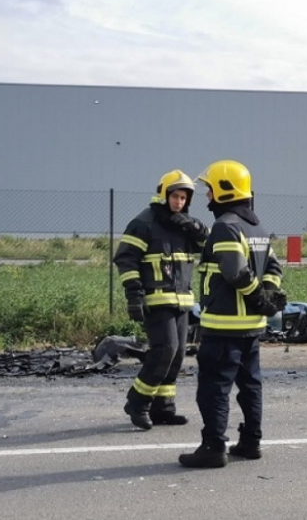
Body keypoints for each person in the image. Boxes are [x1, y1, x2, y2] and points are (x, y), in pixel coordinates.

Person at [179, 160, 286, 469]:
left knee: (213, 389)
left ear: (224, 190)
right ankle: (251, 443)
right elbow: (274, 268)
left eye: (209, 189)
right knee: (250, 386)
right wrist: (265, 298)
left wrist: (258, 300)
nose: (206, 196)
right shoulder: (258, 227)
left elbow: (235, 272)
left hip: (224, 327)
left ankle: (213, 447)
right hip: (252, 329)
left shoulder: (227, 225)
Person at [113, 169, 209, 430]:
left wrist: (196, 226)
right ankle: (137, 402)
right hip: (156, 300)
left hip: (182, 301)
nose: (179, 202)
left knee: (177, 353)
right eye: (175, 196)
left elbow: (208, 243)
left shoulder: (184, 224)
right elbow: (125, 258)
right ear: (164, 195)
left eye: (183, 198)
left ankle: (163, 407)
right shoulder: (144, 223)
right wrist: (134, 295)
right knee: (164, 350)